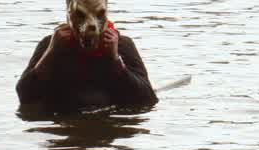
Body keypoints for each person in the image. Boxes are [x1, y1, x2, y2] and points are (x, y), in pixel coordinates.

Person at [16, 20, 158, 110]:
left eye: (97, 16)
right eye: (81, 16)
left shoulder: (121, 44)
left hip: (108, 122)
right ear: (70, 17)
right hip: (64, 118)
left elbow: (148, 99)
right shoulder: (52, 44)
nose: (88, 26)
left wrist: (115, 59)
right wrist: (51, 52)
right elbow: (25, 96)